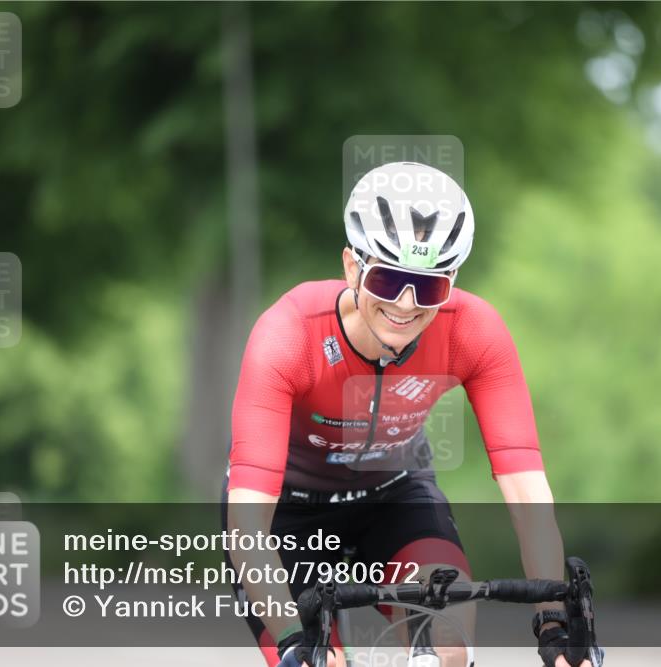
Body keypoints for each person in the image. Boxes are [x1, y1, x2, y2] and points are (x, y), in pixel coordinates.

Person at [223, 161, 591, 667]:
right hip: (287, 510)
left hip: (394, 494)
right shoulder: (289, 336)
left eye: (429, 286)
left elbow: (528, 493)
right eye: (389, 277)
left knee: (448, 645)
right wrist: (292, 635)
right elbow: (247, 522)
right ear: (352, 267)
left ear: (453, 280)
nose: (406, 303)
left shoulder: (473, 331)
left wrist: (554, 623)